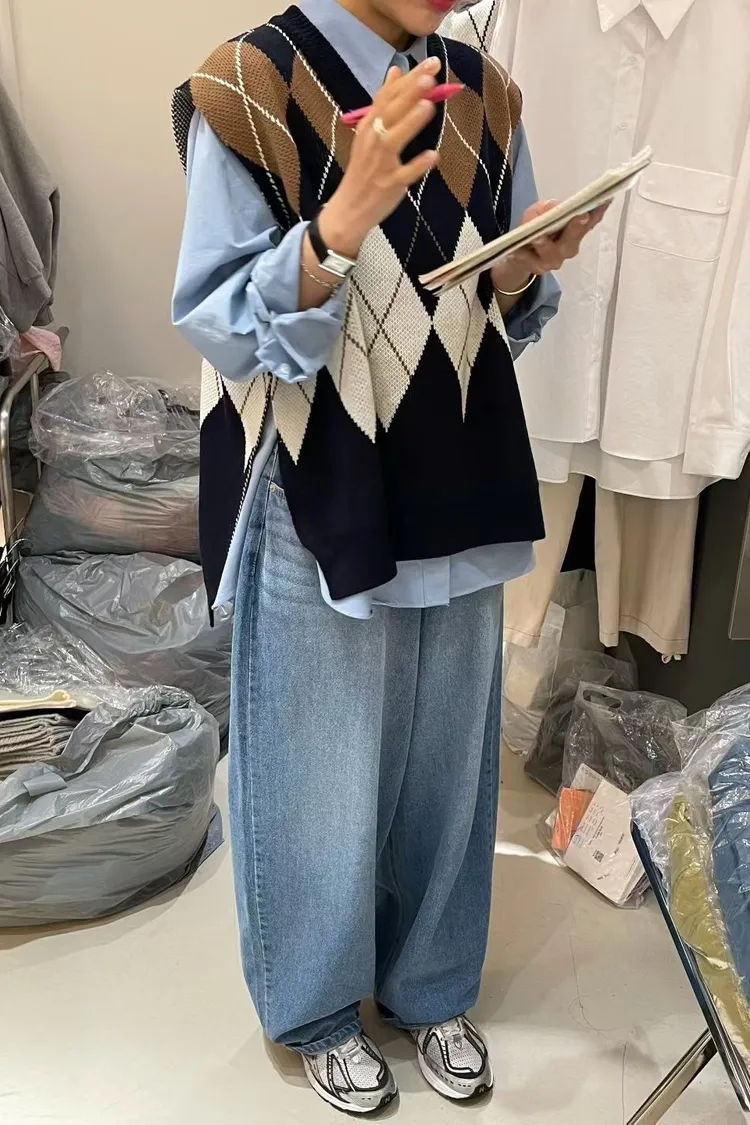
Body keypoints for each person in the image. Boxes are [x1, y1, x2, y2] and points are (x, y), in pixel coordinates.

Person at [172, 0, 603, 1113]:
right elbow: (219, 323)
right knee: (314, 764)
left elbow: (502, 309)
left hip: (459, 459)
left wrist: (528, 266)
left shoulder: (483, 91)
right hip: (319, 478)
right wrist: (337, 227)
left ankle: (431, 984)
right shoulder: (246, 86)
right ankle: (316, 1006)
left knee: (449, 761)